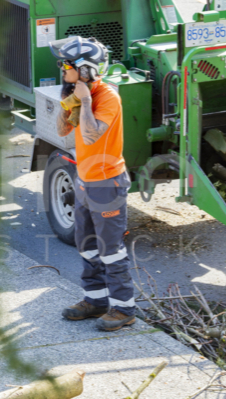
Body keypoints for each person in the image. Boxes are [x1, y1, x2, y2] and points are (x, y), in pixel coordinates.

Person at [49, 36, 135, 331]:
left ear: (84, 69)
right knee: (86, 245)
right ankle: (95, 301)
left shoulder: (107, 97)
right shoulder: (78, 94)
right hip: (84, 181)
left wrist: (85, 100)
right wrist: (69, 101)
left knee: (111, 249)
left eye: (66, 65)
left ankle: (124, 309)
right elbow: (62, 131)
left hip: (107, 184)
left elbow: (90, 135)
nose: (62, 68)